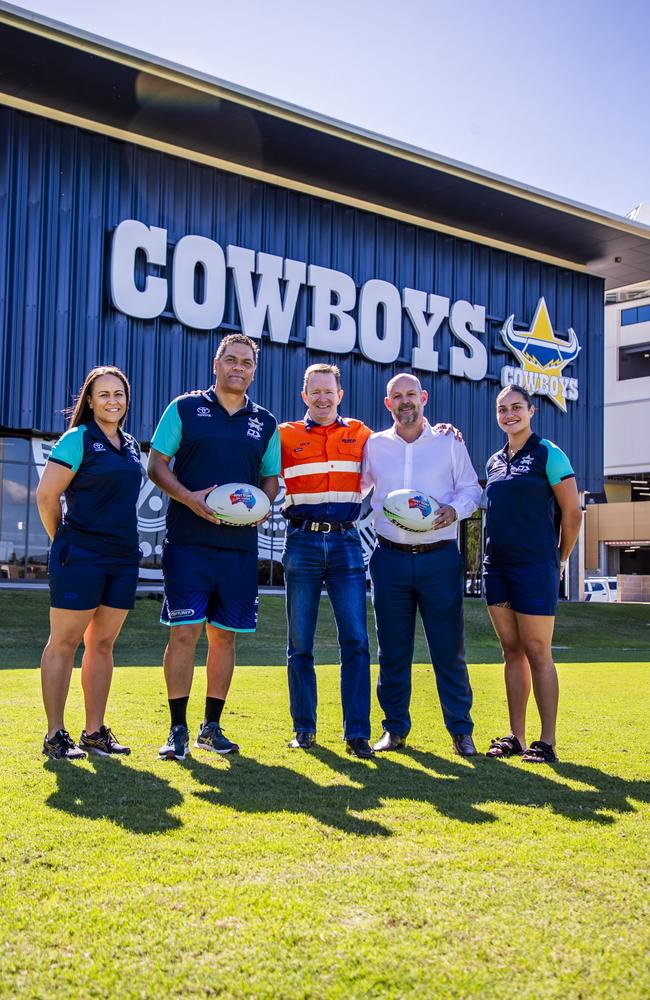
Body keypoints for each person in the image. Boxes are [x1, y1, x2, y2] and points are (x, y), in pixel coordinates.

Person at [148, 334, 280, 761]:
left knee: (224, 639)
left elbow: (270, 479)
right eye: (231, 360)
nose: (238, 367)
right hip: (188, 543)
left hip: (239, 549)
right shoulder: (184, 409)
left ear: (253, 370)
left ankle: (211, 727)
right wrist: (190, 498)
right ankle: (177, 729)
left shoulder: (265, 422)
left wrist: (263, 506)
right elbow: (156, 465)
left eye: (246, 362)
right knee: (184, 633)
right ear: (216, 363)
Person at [361, 373, 481, 756]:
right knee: (392, 651)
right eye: (397, 396)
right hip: (390, 559)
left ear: (424, 397)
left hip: (439, 559)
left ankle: (461, 731)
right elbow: (354, 487)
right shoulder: (374, 446)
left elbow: (472, 490)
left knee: (449, 650)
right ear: (388, 404)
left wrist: (453, 510)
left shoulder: (448, 441)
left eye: (411, 394)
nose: (405, 401)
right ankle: (394, 729)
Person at [37, 366, 142, 760]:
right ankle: (54, 734)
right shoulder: (77, 438)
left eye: (119, 394)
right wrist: (61, 541)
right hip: (80, 555)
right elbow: (47, 496)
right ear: (90, 400)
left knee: (102, 643)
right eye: (104, 394)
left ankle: (94, 732)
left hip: (122, 557)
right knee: (63, 643)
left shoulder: (130, 444)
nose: (112, 401)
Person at [279, 364, 375, 759]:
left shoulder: (362, 433)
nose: (322, 398)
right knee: (300, 643)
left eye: (328, 391)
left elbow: (401, 443)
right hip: (301, 541)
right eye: (314, 391)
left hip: (346, 543)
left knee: (355, 640)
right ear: (305, 396)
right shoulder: (284, 435)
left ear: (340, 394)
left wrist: (441, 431)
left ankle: (357, 734)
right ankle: (304, 729)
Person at [483, 384, 581, 764]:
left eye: (516, 407)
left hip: (536, 566)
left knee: (539, 650)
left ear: (531, 410)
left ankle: (547, 742)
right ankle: (517, 737)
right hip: (497, 567)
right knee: (511, 651)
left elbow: (572, 513)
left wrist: (560, 557)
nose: (510, 414)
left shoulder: (548, 453)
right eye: (503, 409)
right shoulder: (493, 461)